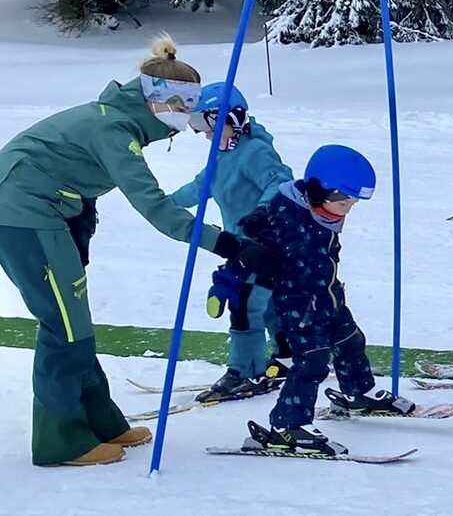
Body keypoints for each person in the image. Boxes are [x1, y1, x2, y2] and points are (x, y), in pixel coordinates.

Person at [0, 36, 272, 466]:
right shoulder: (114, 131)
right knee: (63, 326)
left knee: (74, 320)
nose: (185, 127)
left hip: (46, 213)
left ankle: (102, 422)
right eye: (184, 114)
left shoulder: (114, 120)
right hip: (24, 216)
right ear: (160, 103)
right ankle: (61, 442)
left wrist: (80, 226)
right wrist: (226, 242)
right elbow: (155, 208)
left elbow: (72, 176)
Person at [242, 145, 410, 456]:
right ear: (320, 190)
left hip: (329, 295)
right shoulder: (289, 214)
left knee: (351, 340)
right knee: (312, 360)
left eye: (353, 203)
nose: (348, 209)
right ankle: (287, 425)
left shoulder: (322, 211)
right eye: (344, 202)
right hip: (299, 304)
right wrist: (255, 232)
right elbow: (264, 233)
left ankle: (358, 391)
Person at [174, 81, 295, 403]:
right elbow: (201, 186)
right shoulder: (221, 156)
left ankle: (246, 371)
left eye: (208, 124)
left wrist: (261, 213)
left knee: (244, 304)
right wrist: (163, 205)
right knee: (267, 305)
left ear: (234, 118)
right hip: (239, 246)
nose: (204, 134)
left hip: (265, 244)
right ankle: (288, 354)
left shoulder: (255, 151)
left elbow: (280, 181)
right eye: (197, 125)